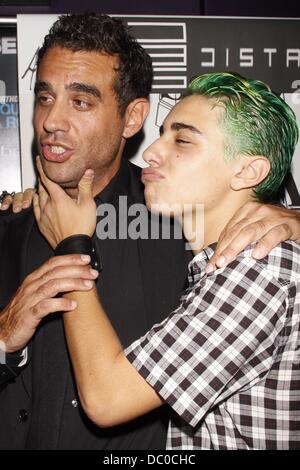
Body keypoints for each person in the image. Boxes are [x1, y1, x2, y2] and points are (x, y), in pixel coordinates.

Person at [0, 12, 299, 450]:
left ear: (132, 116)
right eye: (45, 97)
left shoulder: (192, 225)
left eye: (81, 101)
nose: (50, 121)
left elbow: (109, 396)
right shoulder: (9, 220)